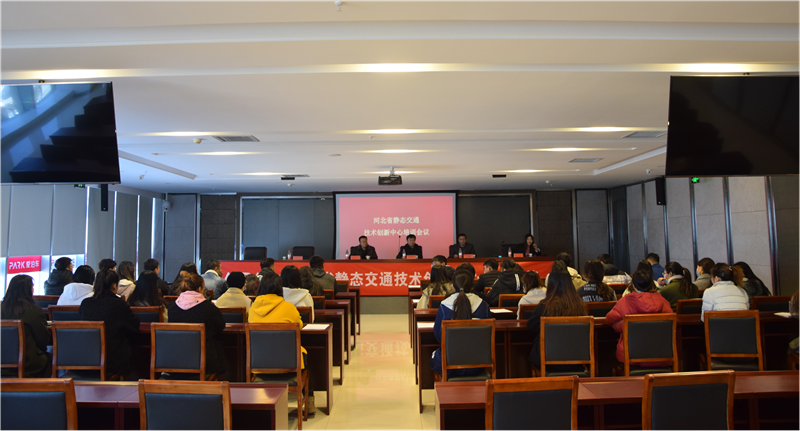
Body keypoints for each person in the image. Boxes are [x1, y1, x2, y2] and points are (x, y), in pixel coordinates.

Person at [247, 272, 316, 414]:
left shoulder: (252, 309)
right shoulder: (288, 307)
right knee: (306, 356)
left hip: (259, 364)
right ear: (280, 288)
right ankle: (309, 401)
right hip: (288, 363)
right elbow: (299, 325)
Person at [526, 264, 589, 374]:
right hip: (576, 361)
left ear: (550, 284)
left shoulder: (545, 306)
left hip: (548, 363)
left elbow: (531, 327)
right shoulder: (579, 306)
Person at [430, 269, 491, 379]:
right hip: (478, 364)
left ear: (453, 286)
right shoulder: (483, 305)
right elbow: (488, 336)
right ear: (472, 286)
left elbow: (438, 336)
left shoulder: (445, 305)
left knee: (435, 356)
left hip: (449, 364)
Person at [79, 270, 140, 378]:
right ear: (114, 285)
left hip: (86, 357)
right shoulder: (118, 304)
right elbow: (134, 326)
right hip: (112, 360)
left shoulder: (85, 304)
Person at [605, 270, 673, 369]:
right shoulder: (663, 301)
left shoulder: (624, 302)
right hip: (662, 356)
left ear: (633, 286)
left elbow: (610, 319)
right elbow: (670, 323)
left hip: (631, 357)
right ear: (651, 285)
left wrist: (623, 325)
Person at [168, 274, 227, 377]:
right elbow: (220, 325)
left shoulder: (172, 308)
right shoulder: (208, 308)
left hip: (176, 360)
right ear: (200, 289)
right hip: (204, 362)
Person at [1, 275, 51, 377]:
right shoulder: (34, 311)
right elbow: (43, 340)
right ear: (28, 290)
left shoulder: (2, 309)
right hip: (27, 364)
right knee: (49, 357)